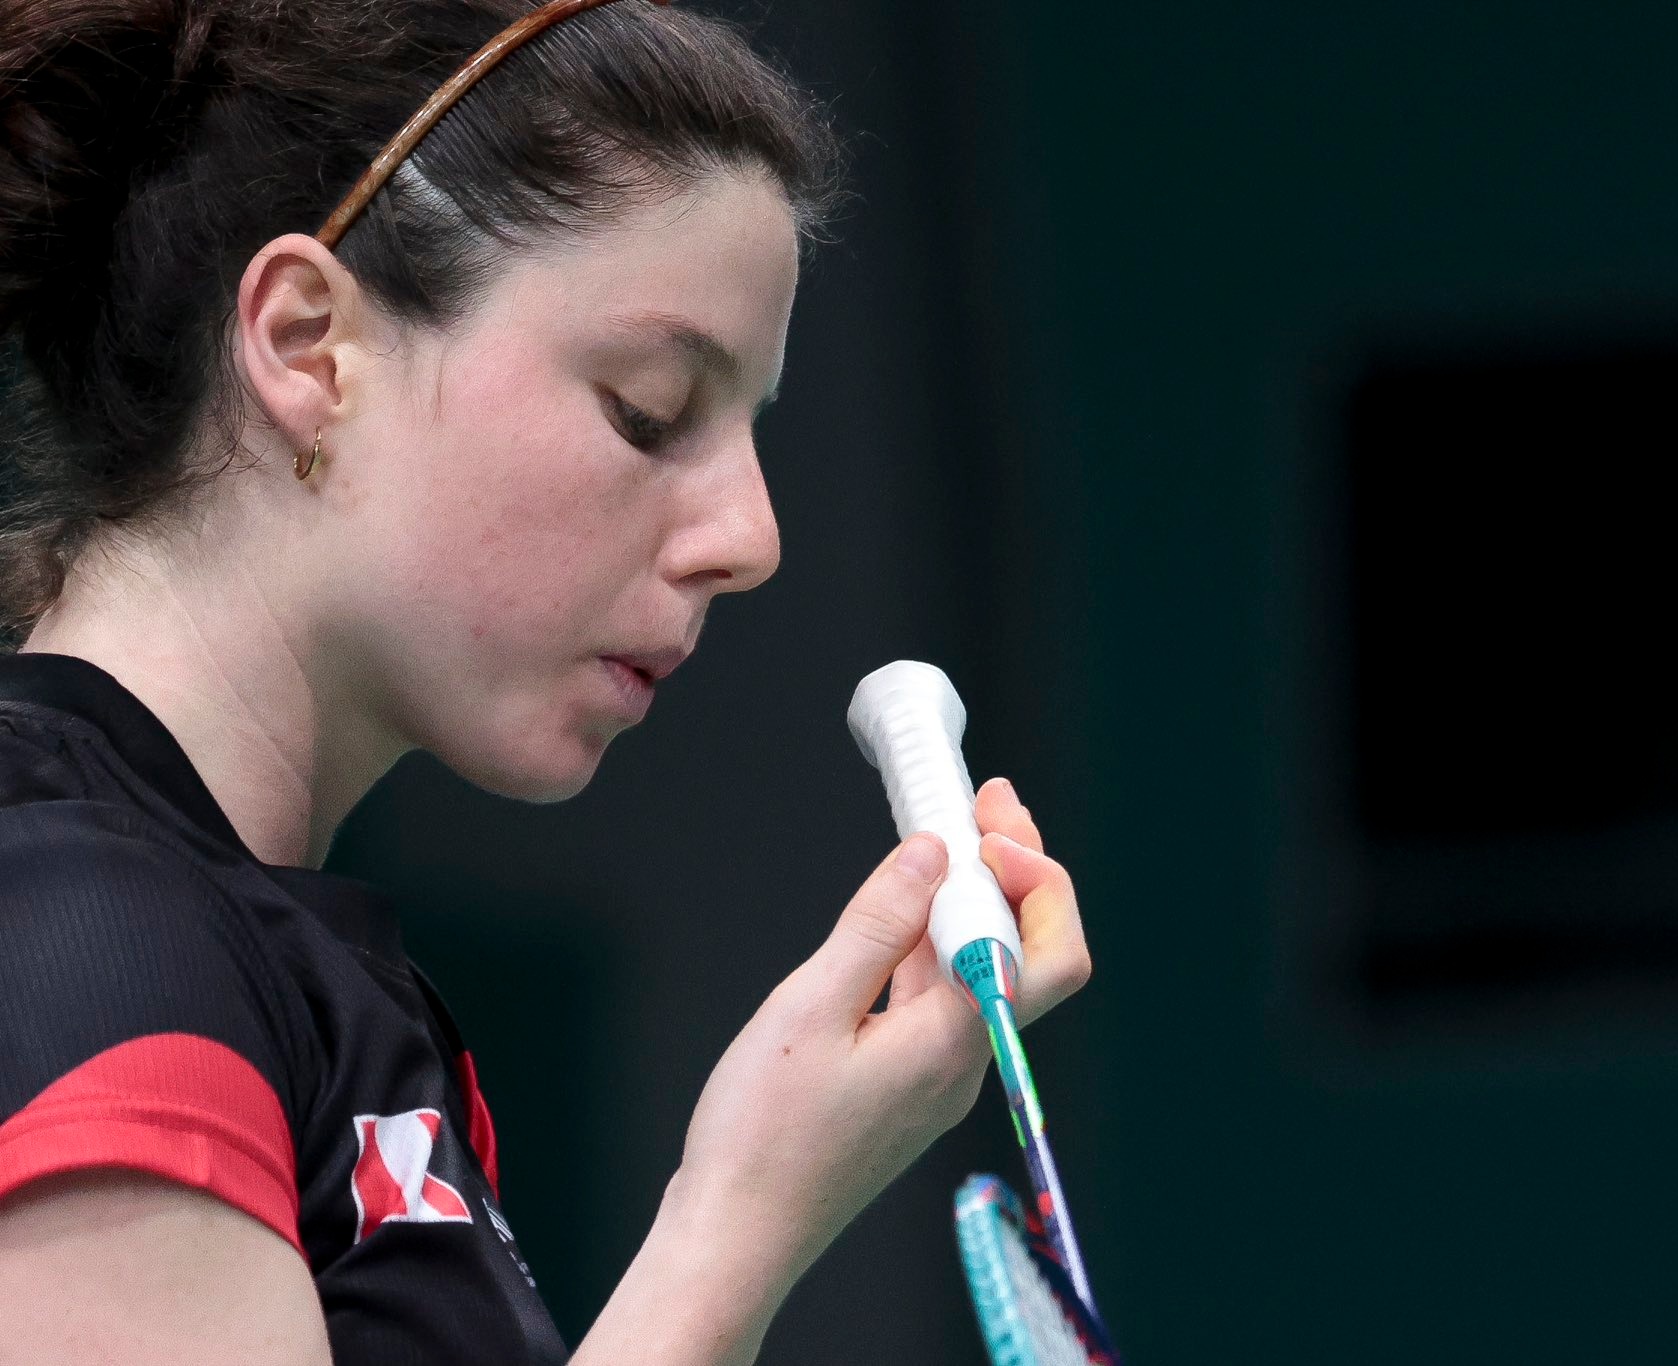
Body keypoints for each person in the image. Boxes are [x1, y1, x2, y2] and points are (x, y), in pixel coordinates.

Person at [0, 1, 1094, 1362]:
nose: (752, 538)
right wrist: (738, 1219)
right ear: (305, 344)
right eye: (649, 408)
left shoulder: (290, 973)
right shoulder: (71, 938)